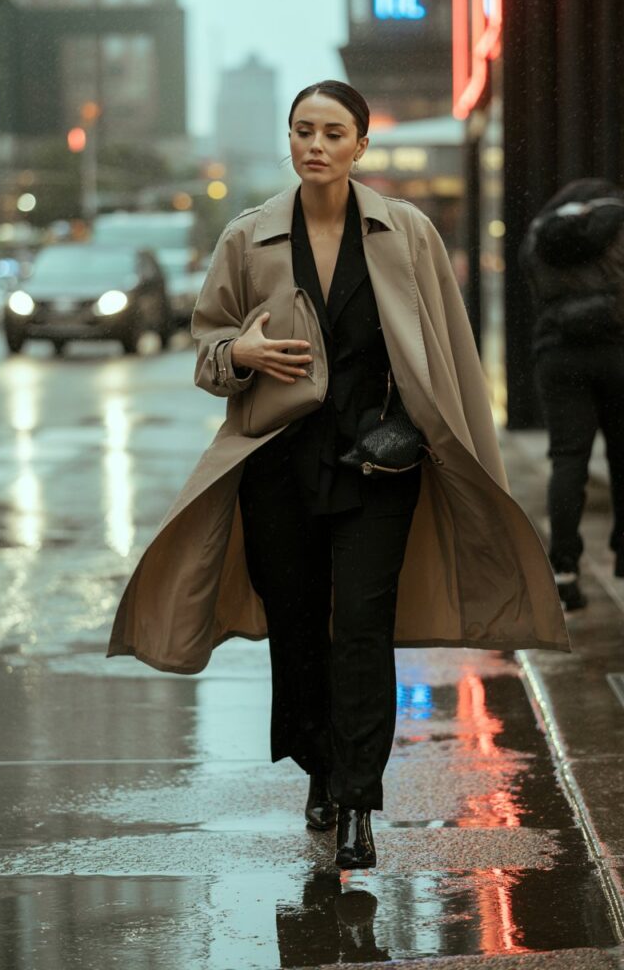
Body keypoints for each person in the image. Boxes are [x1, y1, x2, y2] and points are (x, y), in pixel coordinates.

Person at [107, 81, 569, 872]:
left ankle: (358, 800)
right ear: (290, 139)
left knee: (361, 627)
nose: (315, 145)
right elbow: (208, 351)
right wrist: (240, 352)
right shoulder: (247, 238)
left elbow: (449, 348)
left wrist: (451, 441)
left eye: (332, 132)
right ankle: (319, 765)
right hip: (276, 464)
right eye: (303, 131)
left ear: (361, 145)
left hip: (378, 464)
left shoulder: (407, 232)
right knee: (297, 630)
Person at [520, 179, 624, 611]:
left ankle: (564, 571)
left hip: (559, 355)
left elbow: (533, 293)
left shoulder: (539, 234)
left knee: (567, 460)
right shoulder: (619, 225)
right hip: (618, 351)